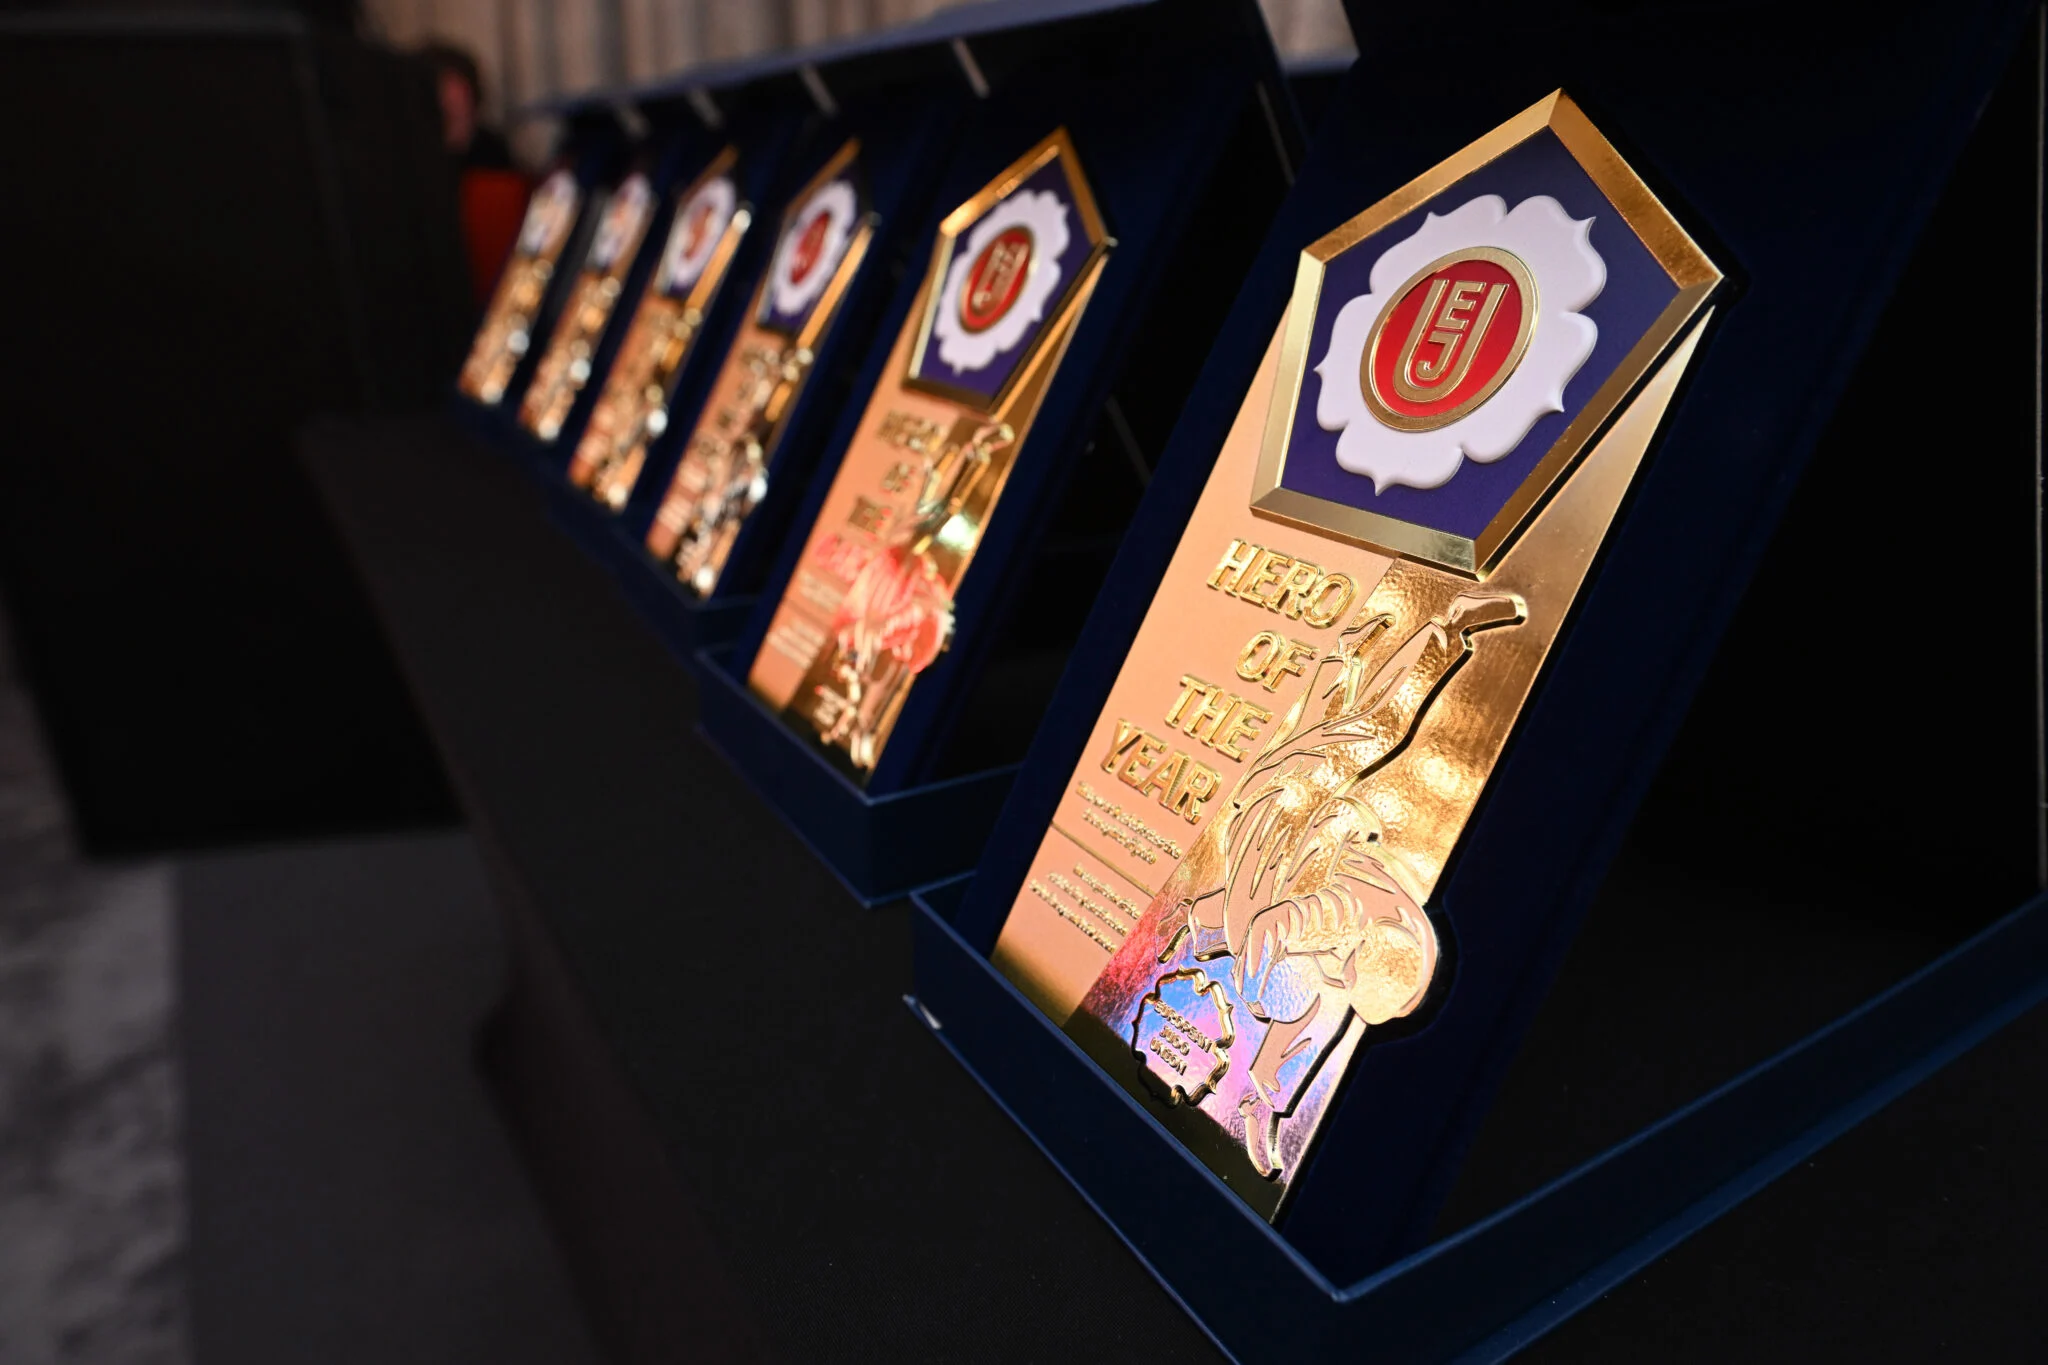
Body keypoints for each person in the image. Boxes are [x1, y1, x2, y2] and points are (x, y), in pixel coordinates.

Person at [418, 41, 514, 171]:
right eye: (448, 109)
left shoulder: (492, 154)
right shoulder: (410, 157)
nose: (456, 119)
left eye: (461, 108)